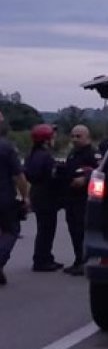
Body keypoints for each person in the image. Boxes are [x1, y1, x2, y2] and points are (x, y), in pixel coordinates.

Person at [24, 124, 64, 272]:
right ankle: (42, 260)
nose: (54, 139)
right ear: (46, 140)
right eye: (52, 137)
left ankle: (45, 257)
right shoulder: (46, 157)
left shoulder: (31, 155)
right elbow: (52, 178)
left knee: (43, 229)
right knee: (47, 230)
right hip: (47, 198)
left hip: (37, 195)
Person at [61, 124, 98, 275]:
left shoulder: (93, 154)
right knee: (74, 231)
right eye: (73, 136)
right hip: (71, 198)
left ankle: (85, 261)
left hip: (84, 199)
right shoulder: (73, 153)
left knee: (82, 231)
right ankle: (78, 260)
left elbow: (101, 171)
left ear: (87, 137)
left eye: (78, 136)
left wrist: (86, 178)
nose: (75, 139)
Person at [0, 113, 32, 286]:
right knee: (11, 230)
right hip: (4, 197)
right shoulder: (6, 147)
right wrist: (25, 197)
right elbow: (19, 176)